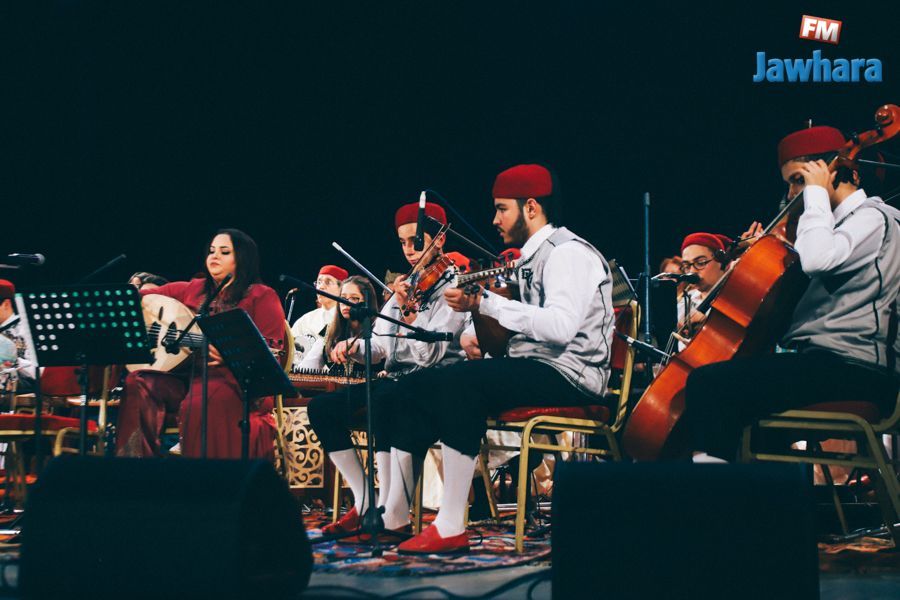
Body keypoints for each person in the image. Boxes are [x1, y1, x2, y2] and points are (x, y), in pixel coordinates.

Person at [384, 164, 614, 554]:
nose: (494, 219)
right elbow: (501, 343)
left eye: (502, 208)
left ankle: (450, 523)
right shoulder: (525, 260)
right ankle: (393, 514)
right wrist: (478, 310)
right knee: (419, 384)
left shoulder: (568, 253)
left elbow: (560, 327)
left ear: (531, 207)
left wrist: (488, 301)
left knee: (459, 381)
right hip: (536, 366)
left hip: (572, 373)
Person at [684, 125, 900, 462]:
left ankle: (711, 493)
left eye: (799, 180)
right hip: (828, 364)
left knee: (709, 384)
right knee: (747, 425)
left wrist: (815, 196)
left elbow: (816, 259)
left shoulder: (874, 218)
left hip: (858, 369)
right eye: (790, 184)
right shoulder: (829, 229)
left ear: (834, 171)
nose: (791, 195)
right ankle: (762, 496)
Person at [307, 200, 468, 537]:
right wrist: (354, 349)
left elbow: (431, 355)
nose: (409, 250)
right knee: (321, 408)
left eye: (416, 241)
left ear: (440, 239)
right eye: (403, 242)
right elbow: (381, 347)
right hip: (395, 382)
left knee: (387, 395)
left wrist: (413, 316)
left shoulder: (455, 287)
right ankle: (366, 501)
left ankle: (392, 512)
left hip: (434, 382)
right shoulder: (403, 289)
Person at [116, 228, 286, 459]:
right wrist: (132, 298)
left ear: (243, 257)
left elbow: (271, 350)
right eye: (212, 251)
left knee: (203, 397)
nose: (214, 256)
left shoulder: (262, 295)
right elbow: (146, 297)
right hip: (186, 377)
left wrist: (232, 354)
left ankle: (204, 477)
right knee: (139, 382)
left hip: (236, 382)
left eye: (224, 252)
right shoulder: (194, 288)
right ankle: (134, 469)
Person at [297, 275, 380, 374]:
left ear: (367, 303)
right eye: (343, 298)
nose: (346, 303)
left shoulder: (379, 328)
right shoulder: (330, 330)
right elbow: (309, 365)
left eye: (354, 298)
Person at [291, 265, 348, 368]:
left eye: (328, 282)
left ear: (342, 288)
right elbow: (291, 353)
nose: (321, 287)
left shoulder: (347, 319)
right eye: (319, 282)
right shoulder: (306, 320)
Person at [0, 280, 37, 394]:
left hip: (22, 386)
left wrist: (13, 361)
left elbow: (38, 371)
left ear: (6, 304)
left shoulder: (27, 329)